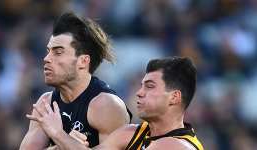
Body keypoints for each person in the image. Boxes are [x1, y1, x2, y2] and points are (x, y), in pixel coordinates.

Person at [27, 56, 204, 150]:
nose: (139, 92)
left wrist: (59, 134)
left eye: (149, 87)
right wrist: (63, 143)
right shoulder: (132, 133)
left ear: (174, 97)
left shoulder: (177, 146)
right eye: (141, 85)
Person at [20, 12, 131, 150]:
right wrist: (64, 145)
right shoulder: (46, 104)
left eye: (58, 52)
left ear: (83, 61)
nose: (47, 58)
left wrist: (59, 136)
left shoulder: (105, 105)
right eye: (48, 51)